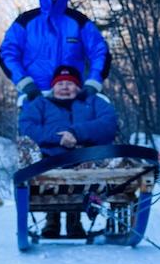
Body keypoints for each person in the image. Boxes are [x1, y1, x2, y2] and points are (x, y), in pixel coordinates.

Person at [19, 64, 118, 238]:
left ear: (78, 86)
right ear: (53, 86)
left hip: (87, 159)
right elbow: (27, 127)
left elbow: (109, 123)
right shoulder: (40, 104)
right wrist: (59, 138)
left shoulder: (93, 101)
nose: (65, 86)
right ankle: (52, 221)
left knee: (89, 166)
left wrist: (76, 133)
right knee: (42, 164)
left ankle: (74, 221)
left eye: (70, 83)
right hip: (49, 159)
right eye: (60, 83)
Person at [0, 0, 110, 102]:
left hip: (73, 100)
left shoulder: (79, 22)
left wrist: (92, 83)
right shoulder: (25, 22)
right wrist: (26, 84)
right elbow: (8, 53)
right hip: (34, 99)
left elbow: (100, 52)